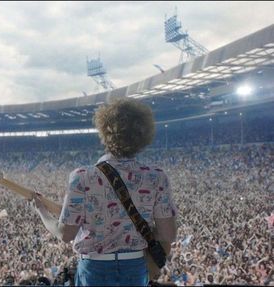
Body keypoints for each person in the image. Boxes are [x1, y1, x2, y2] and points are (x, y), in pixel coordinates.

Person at [31, 98, 178, 286]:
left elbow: (65, 234)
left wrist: (41, 211)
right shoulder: (156, 177)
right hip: (135, 268)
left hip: (94, 269)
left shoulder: (82, 176)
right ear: (143, 136)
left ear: (106, 132)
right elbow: (168, 235)